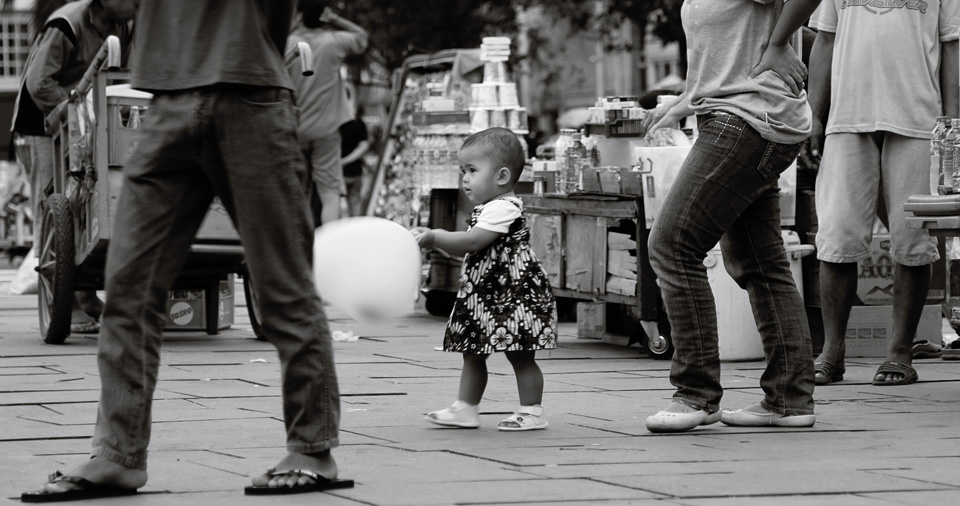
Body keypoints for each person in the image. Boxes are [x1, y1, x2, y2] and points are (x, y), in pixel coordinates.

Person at [20, 0, 349, 501]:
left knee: (283, 284)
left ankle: (312, 448)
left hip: (250, 94)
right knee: (128, 288)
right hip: (164, 101)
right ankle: (117, 455)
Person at [641, 0, 821, 434]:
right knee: (760, 261)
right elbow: (731, 53)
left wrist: (779, 43)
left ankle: (696, 393)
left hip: (747, 122)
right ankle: (788, 399)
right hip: (741, 118)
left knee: (673, 246)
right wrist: (685, 102)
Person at [807, 1, 959, 386]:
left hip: (919, 119)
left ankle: (900, 351)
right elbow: (825, 40)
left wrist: (952, 125)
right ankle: (831, 351)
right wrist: (813, 115)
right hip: (846, 118)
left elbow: (952, 46)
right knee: (836, 235)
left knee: (913, 239)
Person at [413, 127, 558, 431]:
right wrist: (437, 242)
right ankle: (466, 408)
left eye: (472, 170)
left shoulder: (503, 207)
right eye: (462, 171)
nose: (465, 179)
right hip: (488, 295)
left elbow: (473, 242)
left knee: (520, 354)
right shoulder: (490, 208)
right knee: (472, 351)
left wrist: (435, 237)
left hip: (513, 296)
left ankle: (532, 412)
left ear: (502, 176)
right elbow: (474, 250)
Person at [10, 0, 137, 335]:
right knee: (55, 206)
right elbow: (39, 83)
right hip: (42, 124)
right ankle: (64, 304)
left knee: (83, 203)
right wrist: (76, 112)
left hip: (84, 122)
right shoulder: (66, 24)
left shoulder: (123, 26)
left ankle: (86, 295)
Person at [286, 0, 368, 225]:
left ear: (299, 16)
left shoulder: (288, 43)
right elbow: (362, 38)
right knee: (330, 194)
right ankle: (327, 241)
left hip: (294, 128)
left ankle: (297, 241)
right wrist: (335, 19)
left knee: (296, 191)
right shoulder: (333, 41)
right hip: (326, 130)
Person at [339, 106, 370, 217]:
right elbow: (363, 147)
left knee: (337, 207)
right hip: (354, 172)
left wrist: (341, 162)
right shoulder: (359, 123)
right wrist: (345, 161)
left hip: (337, 173)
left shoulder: (335, 123)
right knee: (354, 206)